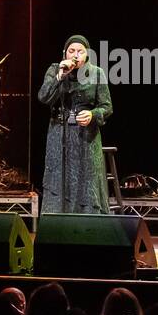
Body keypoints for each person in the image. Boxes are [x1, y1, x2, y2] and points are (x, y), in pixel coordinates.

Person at [38, 36, 112, 214]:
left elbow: (107, 106)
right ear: (65, 53)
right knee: (58, 177)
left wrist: (93, 114)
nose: (75, 55)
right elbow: (44, 97)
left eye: (80, 51)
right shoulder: (55, 69)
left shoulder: (96, 73)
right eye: (72, 51)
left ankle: (89, 228)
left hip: (86, 137)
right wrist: (60, 75)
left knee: (86, 180)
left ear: (87, 55)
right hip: (59, 134)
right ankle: (57, 226)